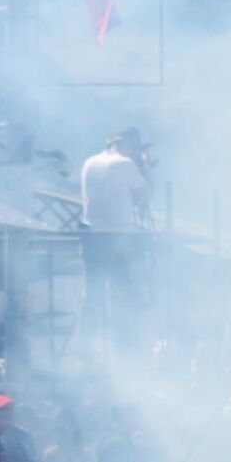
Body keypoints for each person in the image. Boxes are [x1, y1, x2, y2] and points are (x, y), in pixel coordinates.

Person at [78, 126, 154, 360]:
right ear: (128, 145)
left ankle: (87, 351)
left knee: (93, 297)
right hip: (118, 237)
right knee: (124, 297)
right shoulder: (126, 164)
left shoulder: (89, 162)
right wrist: (146, 167)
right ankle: (126, 354)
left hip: (92, 235)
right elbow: (145, 194)